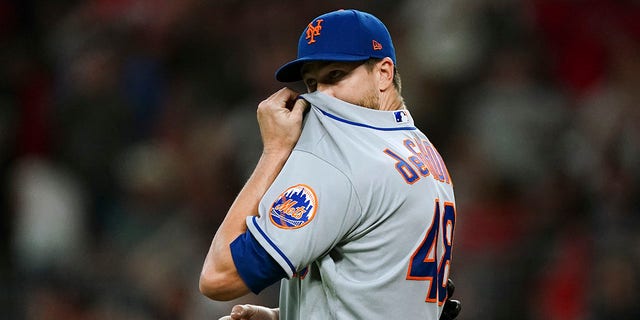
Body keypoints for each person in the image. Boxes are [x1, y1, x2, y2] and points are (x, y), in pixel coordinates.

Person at [199, 9, 461, 320]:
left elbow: (218, 277)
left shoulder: (342, 158)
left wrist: (274, 151)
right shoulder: (422, 149)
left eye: (335, 76)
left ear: (383, 73)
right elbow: (373, 287)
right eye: (313, 83)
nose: (323, 96)